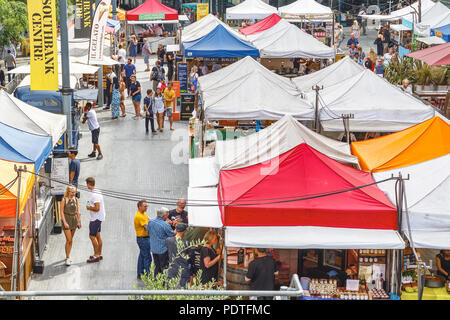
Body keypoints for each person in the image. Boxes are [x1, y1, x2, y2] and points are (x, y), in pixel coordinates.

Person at [148, 207, 175, 276]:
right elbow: (172, 234)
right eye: (167, 214)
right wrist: (176, 227)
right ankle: (163, 284)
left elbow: (148, 232)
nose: (168, 216)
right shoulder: (165, 224)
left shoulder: (151, 221)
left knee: (156, 266)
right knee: (164, 267)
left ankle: (156, 282)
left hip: (154, 248)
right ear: (164, 216)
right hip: (163, 249)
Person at [85, 177, 105, 263]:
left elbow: (97, 208)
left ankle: (96, 255)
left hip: (95, 218)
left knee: (92, 236)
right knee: (98, 236)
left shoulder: (94, 195)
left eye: (87, 184)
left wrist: (89, 207)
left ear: (89, 184)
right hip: (99, 217)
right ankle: (99, 253)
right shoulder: (97, 191)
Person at [60, 185, 81, 266]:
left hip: (74, 220)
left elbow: (78, 211)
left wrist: (79, 221)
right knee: (69, 239)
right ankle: (67, 257)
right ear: (68, 192)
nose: (73, 193)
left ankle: (68, 254)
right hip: (67, 219)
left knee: (70, 240)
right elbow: (61, 212)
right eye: (72, 192)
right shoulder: (64, 200)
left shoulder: (76, 199)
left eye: (74, 192)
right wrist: (64, 222)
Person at [166, 223, 191, 287]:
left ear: (176, 230)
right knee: (183, 290)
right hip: (183, 269)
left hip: (172, 268)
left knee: (170, 289)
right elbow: (189, 255)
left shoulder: (168, 240)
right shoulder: (186, 243)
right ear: (184, 231)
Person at [135, 200, 151, 279]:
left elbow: (149, 220)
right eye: (145, 206)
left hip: (143, 238)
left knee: (142, 255)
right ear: (139, 206)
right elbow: (147, 227)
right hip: (143, 239)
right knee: (147, 257)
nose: (146, 207)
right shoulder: (139, 216)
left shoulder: (143, 214)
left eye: (146, 206)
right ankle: (147, 274)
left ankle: (140, 272)